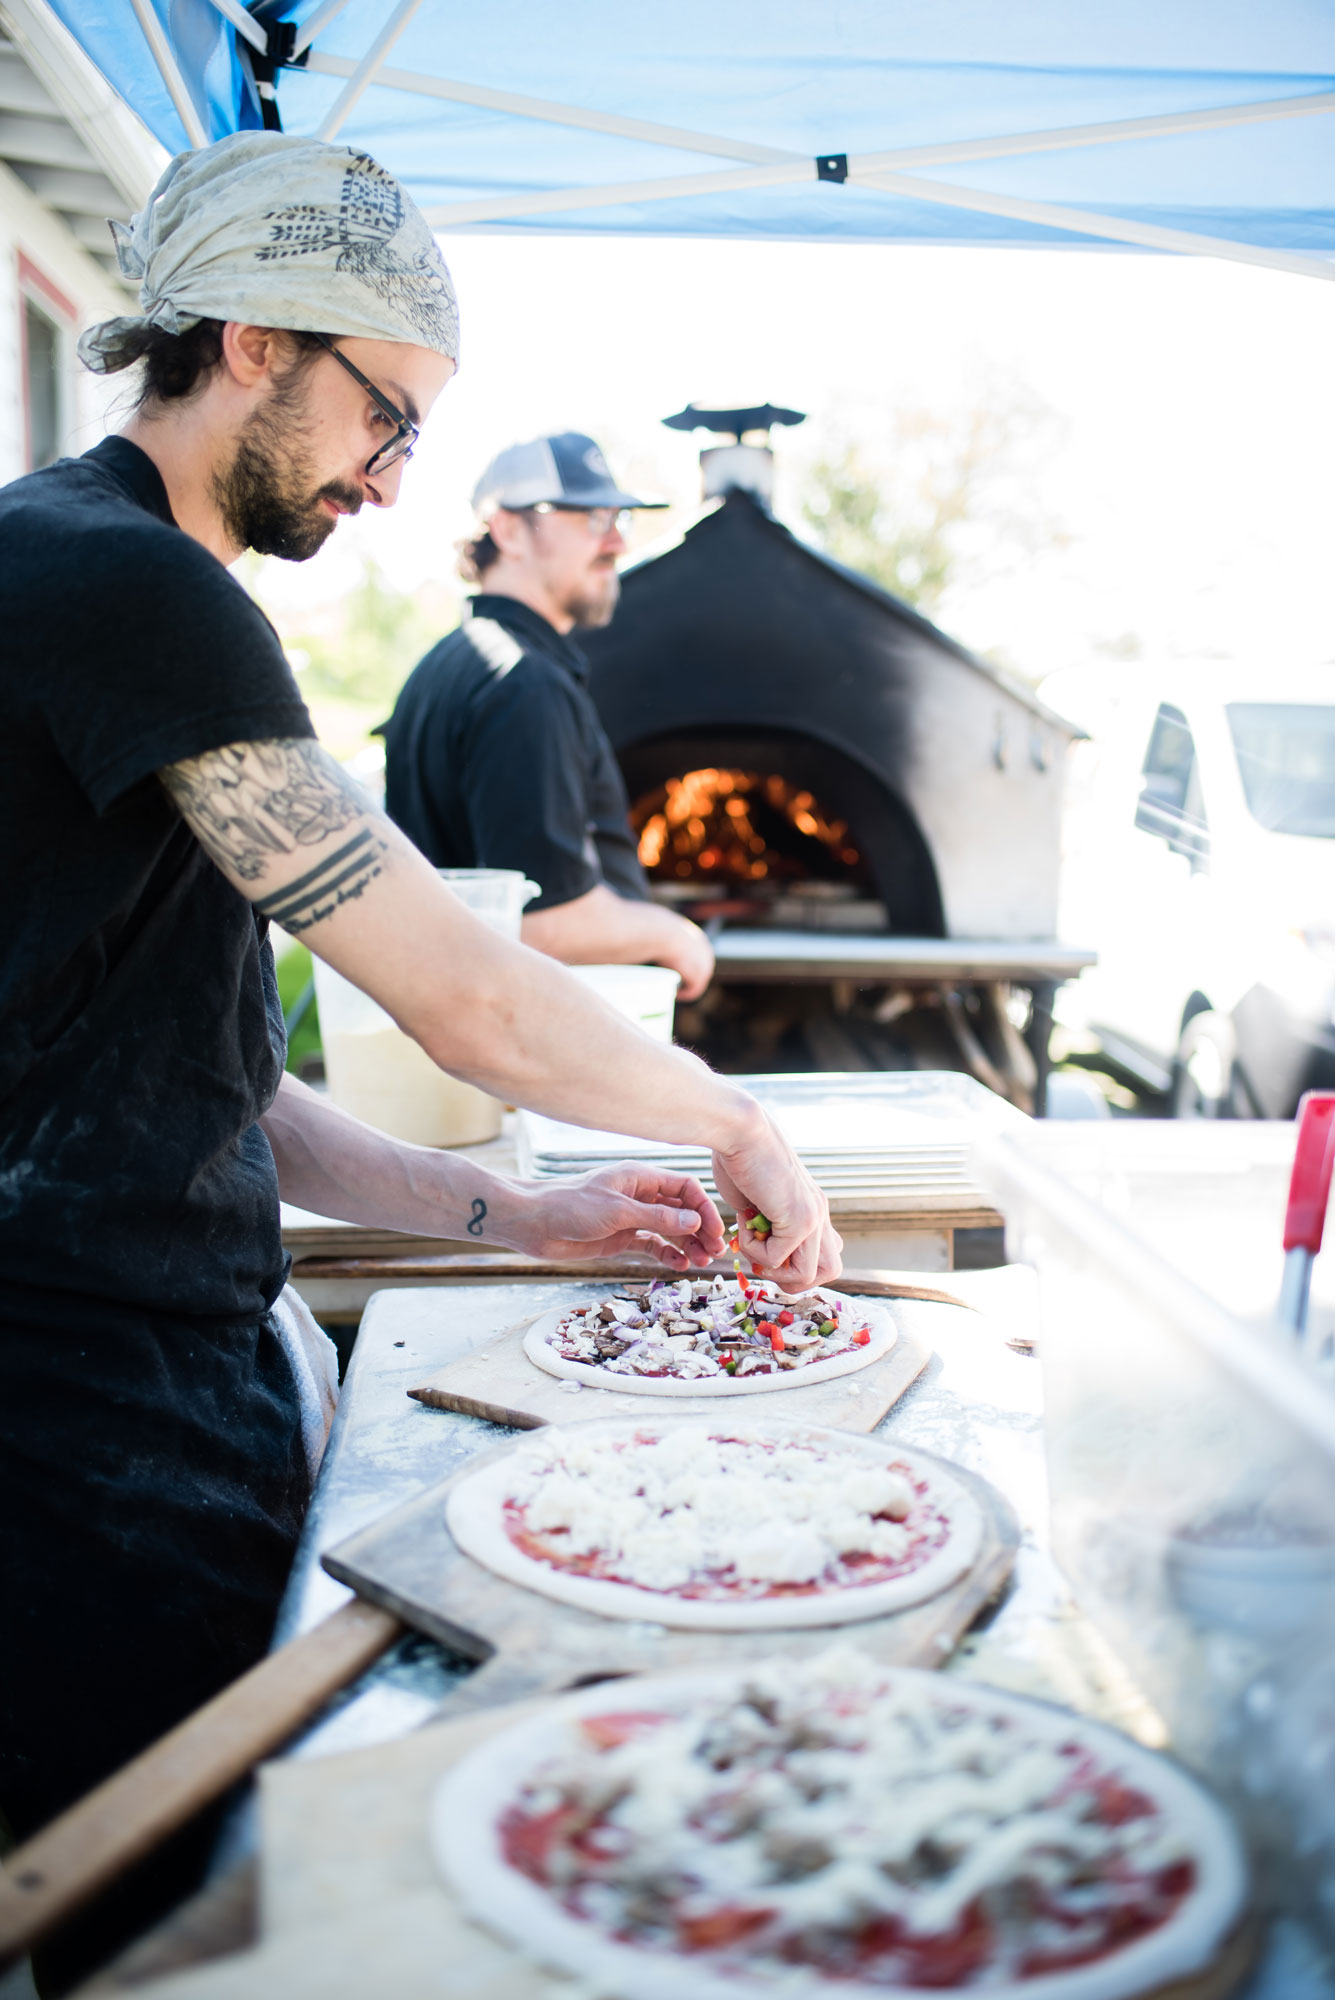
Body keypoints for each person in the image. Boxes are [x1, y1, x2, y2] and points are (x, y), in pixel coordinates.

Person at [0, 132, 837, 1988]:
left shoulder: (86, 575)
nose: (396, 478)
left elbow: (205, 1082)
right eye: (385, 411)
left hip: (126, 1383)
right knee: (152, 1938)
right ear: (248, 339)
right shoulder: (126, 588)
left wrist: (513, 1216)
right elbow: (464, 992)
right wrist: (731, 1117)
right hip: (71, 1429)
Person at [380, 434, 715, 999]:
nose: (615, 541)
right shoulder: (523, 683)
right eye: (589, 518)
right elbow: (540, 922)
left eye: (618, 519)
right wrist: (676, 935)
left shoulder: (448, 661)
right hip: (523, 1047)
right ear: (507, 529)